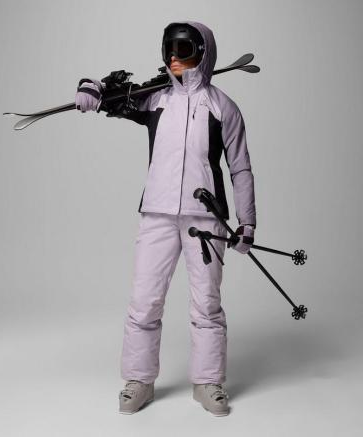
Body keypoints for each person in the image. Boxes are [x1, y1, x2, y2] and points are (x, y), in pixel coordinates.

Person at [75, 21, 256, 417]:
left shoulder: (222, 107)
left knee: (207, 303)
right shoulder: (155, 99)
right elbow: (114, 99)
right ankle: (139, 380)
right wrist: (91, 88)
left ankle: (208, 382)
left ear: (202, 53)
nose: (174, 56)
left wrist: (247, 222)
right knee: (144, 300)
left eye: (183, 49)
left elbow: (240, 168)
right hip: (156, 214)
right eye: (168, 49)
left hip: (205, 220)